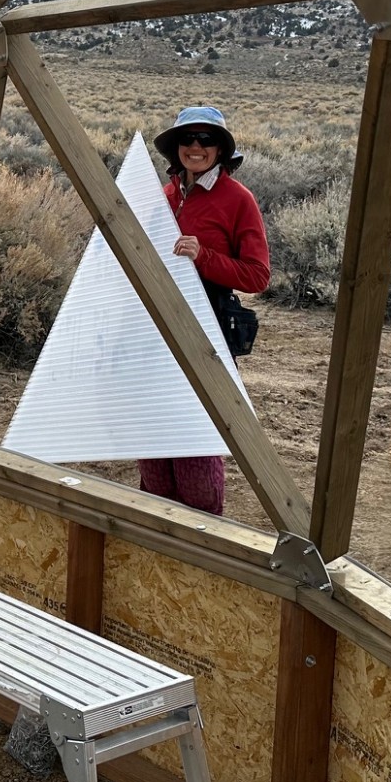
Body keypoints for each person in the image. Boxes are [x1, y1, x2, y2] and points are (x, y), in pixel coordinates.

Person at [139, 105, 269, 517]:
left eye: (206, 139)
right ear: (175, 147)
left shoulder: (238, 199)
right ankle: (156, 536)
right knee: (152, 445)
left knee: (196, 440)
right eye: (187, 139)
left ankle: (203, 540)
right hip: (154, 334)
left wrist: (204, 256)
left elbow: (257, 276)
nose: (196, 146)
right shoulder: (164, 197)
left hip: (207, 333)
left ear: (220, 149)